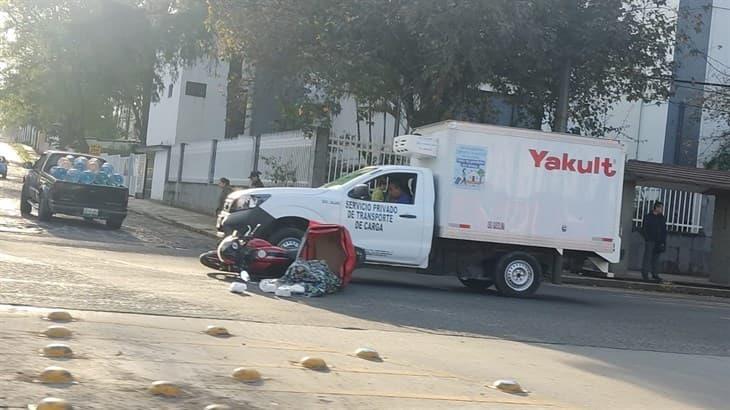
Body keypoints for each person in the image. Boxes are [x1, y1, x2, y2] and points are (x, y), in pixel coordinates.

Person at [641, 201, 667, 282]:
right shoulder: (648, 217)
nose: (661, 210)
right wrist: (647, 238)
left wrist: (663, 241)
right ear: (656, 208)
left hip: (659, 241)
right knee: (647, 257)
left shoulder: (662, 218)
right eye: (660, 208)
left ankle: (655, 274)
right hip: (650, 240)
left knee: (656, 258)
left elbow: (663, 230)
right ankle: (645, 273)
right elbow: (644, 228)